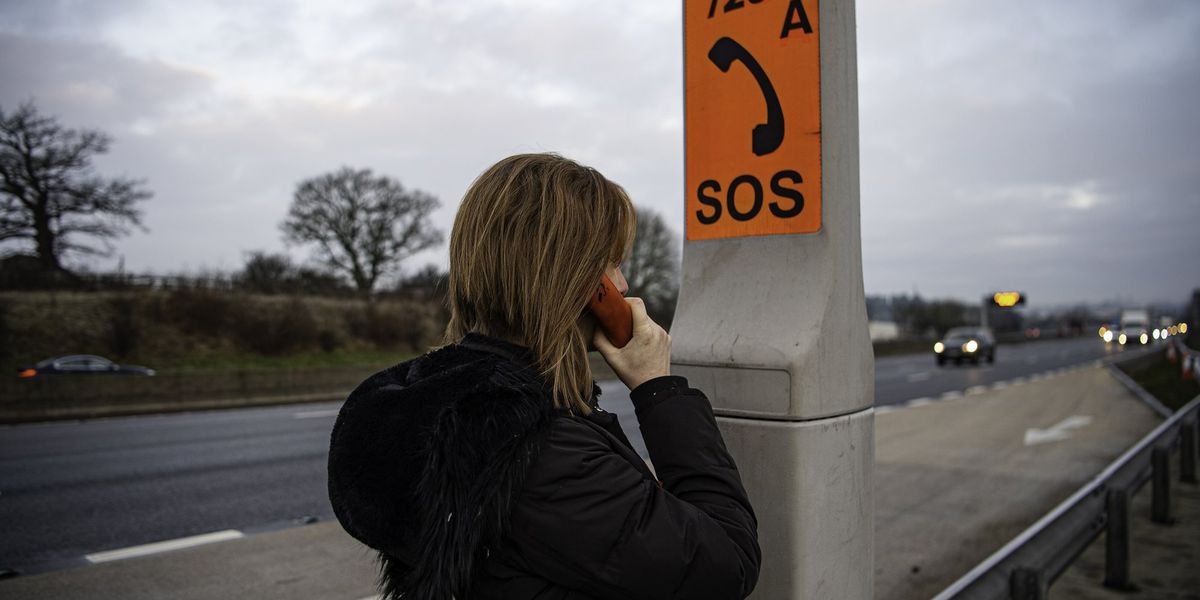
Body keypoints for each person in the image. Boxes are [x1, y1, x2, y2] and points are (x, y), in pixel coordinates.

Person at [327, 153, 760, 599]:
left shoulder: (416, 399)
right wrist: (659, 389)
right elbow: (727, 564)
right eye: (612, 264)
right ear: (577, 281)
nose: (624, 284)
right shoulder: (543, 453)